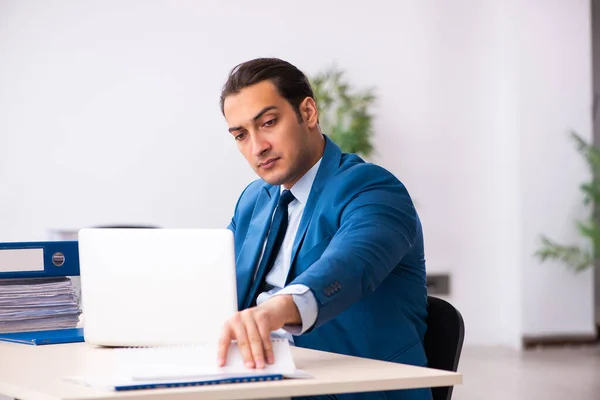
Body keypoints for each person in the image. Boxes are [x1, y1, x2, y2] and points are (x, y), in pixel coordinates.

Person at [216, 57, 431, 400]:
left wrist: (278, 308)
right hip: (260, 381)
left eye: (268, 122)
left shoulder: (373, 189)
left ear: (308, 113)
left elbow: (351, 265)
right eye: (241, 135)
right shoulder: (254, 200)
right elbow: (218, 280)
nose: (257, 147)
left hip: (355, 390)